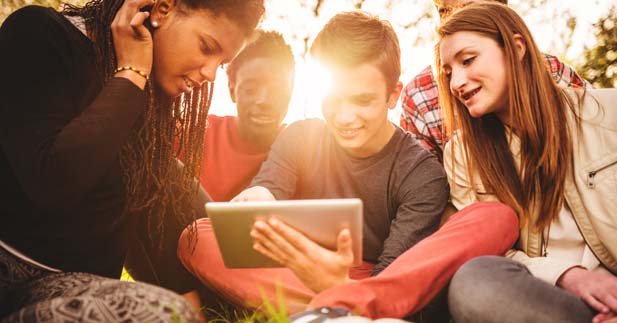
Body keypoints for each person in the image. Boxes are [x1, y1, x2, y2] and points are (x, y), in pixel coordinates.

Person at [178, 10, 519, 320]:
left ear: (392, 95)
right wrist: (258, 196)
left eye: (362, 100)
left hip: (380, 278)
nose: (344, 116)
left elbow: (394, 274)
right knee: (197, 237)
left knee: (493, 217)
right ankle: (346, 311)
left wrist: (341, 282)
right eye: (334, 98)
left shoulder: (421, 173)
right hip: (298, 269)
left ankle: (343, 305)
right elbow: (270, 187)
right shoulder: (301, 136)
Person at [0, 0, 264, 321]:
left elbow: (150, 225)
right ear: (162, 9)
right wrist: (131, 72)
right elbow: (53, 183)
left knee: (186, 295)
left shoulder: (153, 107)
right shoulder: (39, 32)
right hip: (9, 268)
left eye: (221, 64)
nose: (210, 74)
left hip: (71, 290)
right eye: (207, 47)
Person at [434, 2, 617, 323]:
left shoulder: (616, 114)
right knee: (475, 279)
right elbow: (488, 251)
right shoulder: (462, 155)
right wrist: (568, 275)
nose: (456, 82)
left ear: (516, 48)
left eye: (468, 60)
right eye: (449, 72)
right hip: (548, 303)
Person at [399, 0, 588, 160]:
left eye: (469, 9)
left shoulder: (553, 71)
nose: (454, 21)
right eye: (445, 13)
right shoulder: (418, 95)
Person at [199, 30, 295, 202]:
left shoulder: (300, 150)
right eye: (250, 90)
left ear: (291, 92)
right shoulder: (196, 135)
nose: (264, 101)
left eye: (278, 90)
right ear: (232, 91)